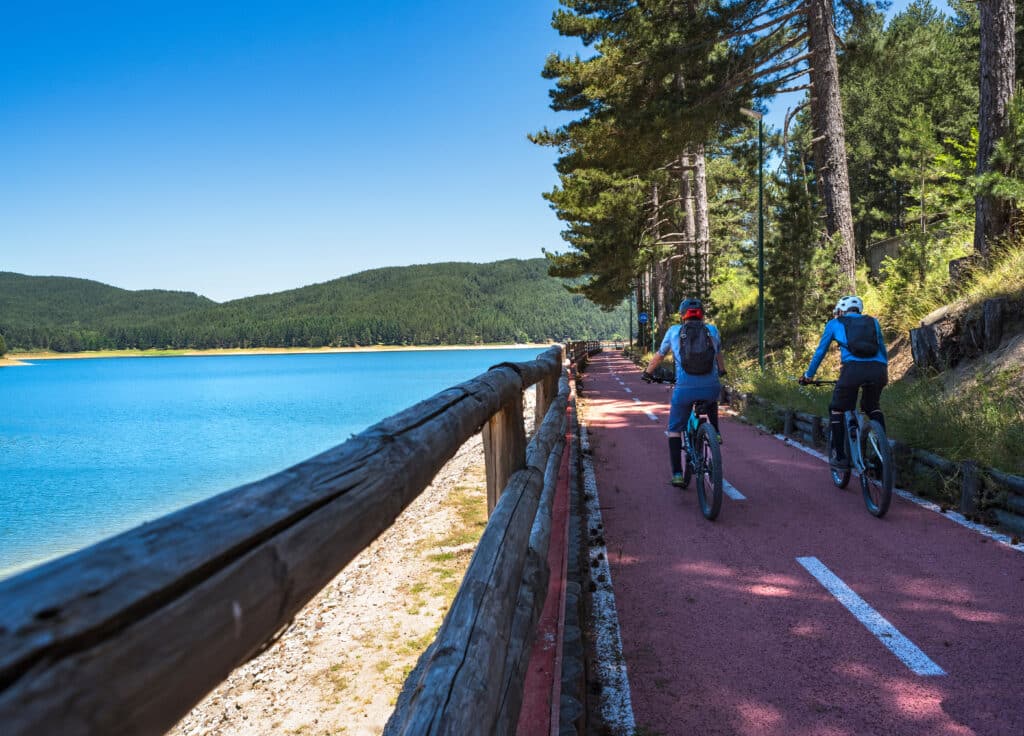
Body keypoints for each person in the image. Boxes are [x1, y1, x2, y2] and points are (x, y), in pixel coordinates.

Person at [641, 298, 726, 487]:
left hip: (684, 389)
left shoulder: (673, 331)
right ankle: (716, 432)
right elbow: (719, 354)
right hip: (711, 388)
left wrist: (647, 373)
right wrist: (722, 370)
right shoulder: (711, 330)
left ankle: (678, 474)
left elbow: (659, 356)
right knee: (711, 396)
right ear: (702, 314)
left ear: (682, 315)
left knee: (674, 430)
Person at [799, 295, 889, 468]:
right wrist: (882, 372)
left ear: (841, 310)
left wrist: (808, 375)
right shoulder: (873, 322)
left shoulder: (835, 323)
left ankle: (839, 456)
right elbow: (882, 349)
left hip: (852, 371)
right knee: (872, 407)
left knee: (837, 409)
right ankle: (882, 457)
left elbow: (820, 352)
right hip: (879, 370)